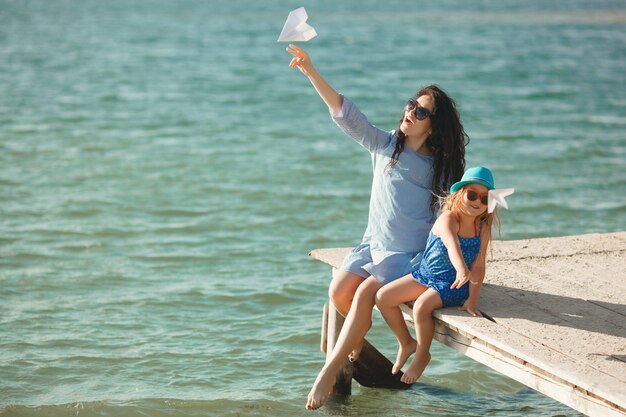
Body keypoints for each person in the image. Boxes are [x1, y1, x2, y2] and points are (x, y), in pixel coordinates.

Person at [285, 44, 468, 410]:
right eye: (409, 105)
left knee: (366, 293)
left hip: (408, 256)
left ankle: (329, 370)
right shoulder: (385, 145)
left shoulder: (440, 168)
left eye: (420, 111)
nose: (410, 113)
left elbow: (453, 215)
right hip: (375, 245)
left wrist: (458, 264)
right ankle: (358, 346)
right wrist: (311, 72)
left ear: (434, 126)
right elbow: (345, 113)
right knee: (338, 291)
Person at [375, 166, 502, 384]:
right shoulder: (448, 219)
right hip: (426, 275)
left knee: (422, 306)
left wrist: (472, 300)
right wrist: (462, 267)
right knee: (383, 297)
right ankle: (407, 343)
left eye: (484, 198)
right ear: (459, 194)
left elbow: (479, 265)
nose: (477, 202)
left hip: (453, 284)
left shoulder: (482, 227)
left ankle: (423, 354)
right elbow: (452, 246)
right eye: (472, 194)